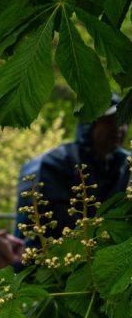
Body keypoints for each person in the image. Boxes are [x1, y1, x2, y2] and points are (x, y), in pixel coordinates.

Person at [16, 101, 127, 243]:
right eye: (109, 122)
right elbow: (55, 215)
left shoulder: (124, 162)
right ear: (90, 124)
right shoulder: (58, 161)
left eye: (124, 121)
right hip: (58, 253)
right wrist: (96, 239)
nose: (119, 128)